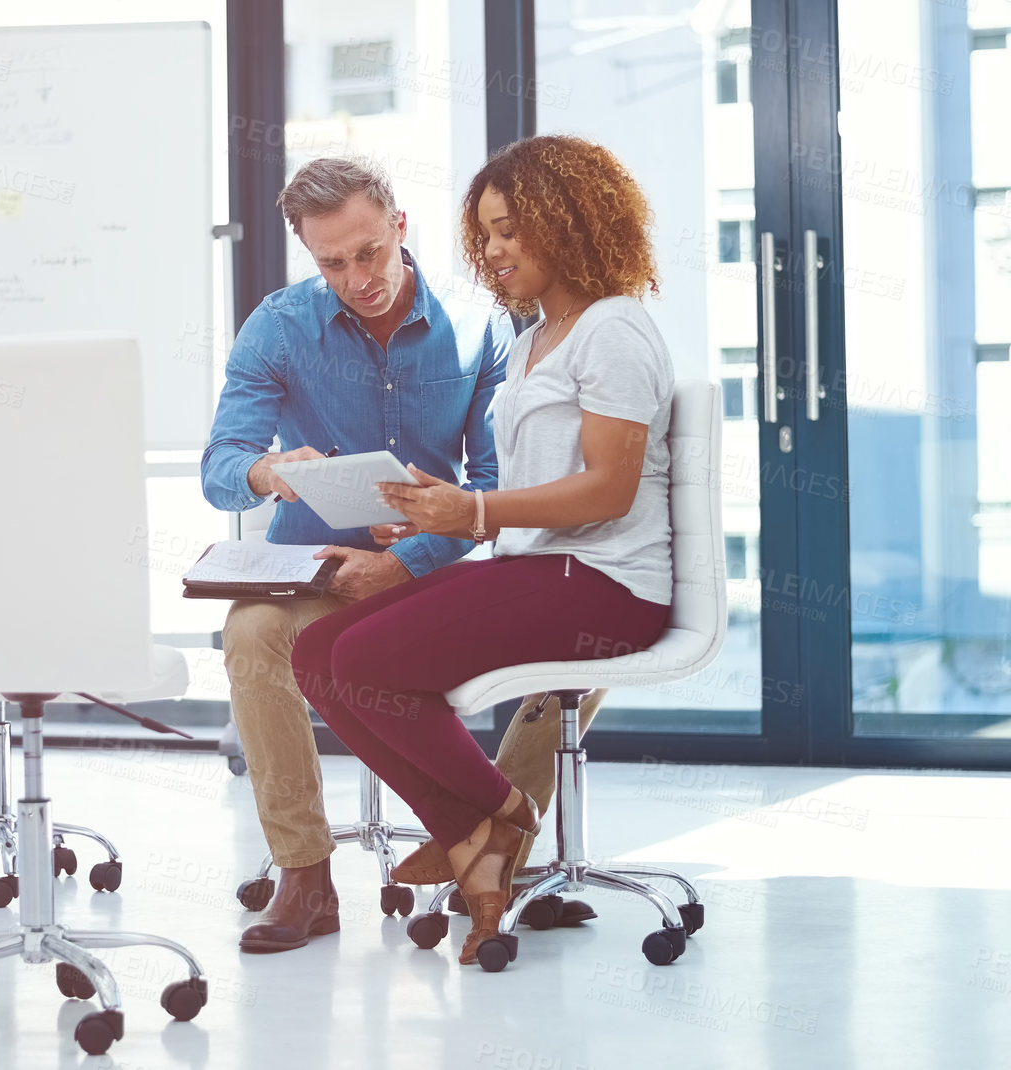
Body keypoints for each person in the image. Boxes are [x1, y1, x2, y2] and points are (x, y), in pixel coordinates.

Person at [199, 155, 605, 954]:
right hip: (317, 569)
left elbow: (494, 482)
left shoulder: (483, 324)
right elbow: (221, 468)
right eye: (333, 264)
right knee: (250, 631)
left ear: (399, 229)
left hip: (435, 568)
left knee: (584, 645)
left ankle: (493, 850)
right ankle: (305, 876)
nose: (358, 277)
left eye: (369, 253)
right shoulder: (278, 326)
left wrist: (407, 559)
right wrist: (267, 471)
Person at [290, 135, 675, 965]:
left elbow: (610, 488)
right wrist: (435, 505)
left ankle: (497, 820)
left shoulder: (612, 330)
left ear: (569, 224)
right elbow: (525, 482)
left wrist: (470, 511)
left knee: (363, 660)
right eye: (487, 233)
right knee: (319, 651)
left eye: (512, 231)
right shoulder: (539, 334)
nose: (492, 251)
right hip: (543, 566)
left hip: (605, 585)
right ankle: (478, 834)